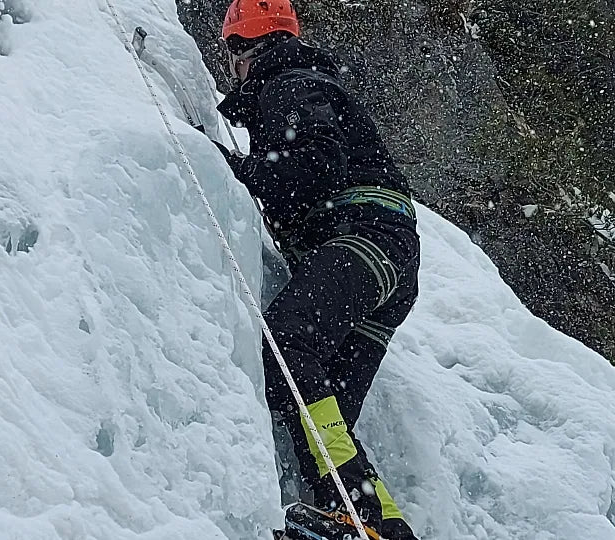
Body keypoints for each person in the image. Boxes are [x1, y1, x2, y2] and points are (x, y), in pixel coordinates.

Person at [212, 1, 420, 538]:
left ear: (243, 48)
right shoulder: (310, 81)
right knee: (324, 420)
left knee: (286, 344)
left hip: (363, 238)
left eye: (230, 53)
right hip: (389, 258)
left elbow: (314, 167)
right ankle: (377, 524)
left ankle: (355, 512)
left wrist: (228, 166)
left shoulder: (288, 83)